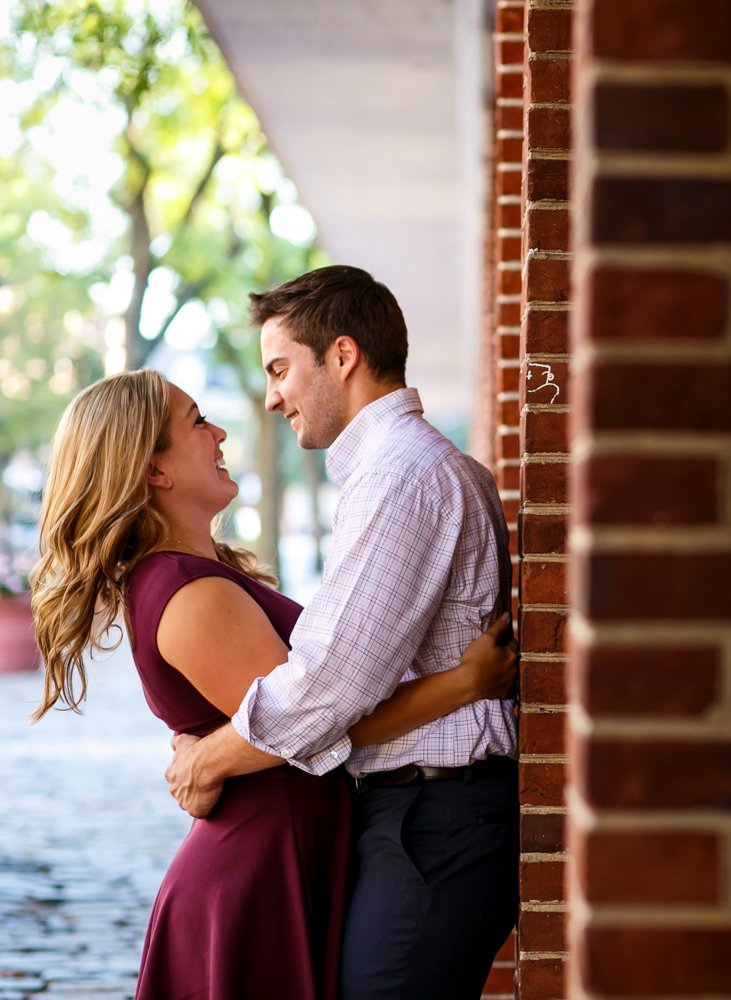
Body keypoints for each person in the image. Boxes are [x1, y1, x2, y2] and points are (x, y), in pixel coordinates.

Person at [28, 368, 516, 999]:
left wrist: (208, 754)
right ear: (154, 470)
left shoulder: (199, 576)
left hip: (289, 848)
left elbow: (315, 707)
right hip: (257, 868)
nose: (221, 433)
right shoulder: (188, 591)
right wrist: (464, 683)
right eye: (198, 422)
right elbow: (318, 721)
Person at [165, 265, 520, 999]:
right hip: (423, 815)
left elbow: (331, 682)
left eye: (280, 369)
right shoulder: (397, 472)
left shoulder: (402, 477)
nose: (271, 397)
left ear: (344, 356)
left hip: (434, 820)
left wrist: (210, 760)